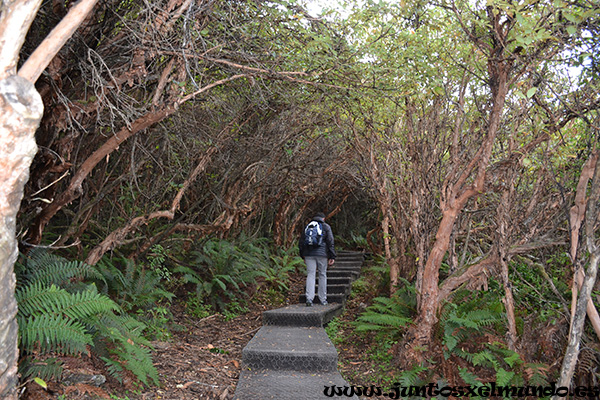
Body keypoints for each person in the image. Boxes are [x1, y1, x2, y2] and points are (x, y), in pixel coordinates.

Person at [299, 212, 336, 306]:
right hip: (322, 254)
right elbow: (330, 241)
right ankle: (323, 299)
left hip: (308, 254)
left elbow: (301, 241)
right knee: (322, 274)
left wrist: (302, 255)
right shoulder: (326, 227)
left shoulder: (308, 226)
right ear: (323, 218)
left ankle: (309, 299)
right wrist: (332, 256)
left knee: (310, 274)